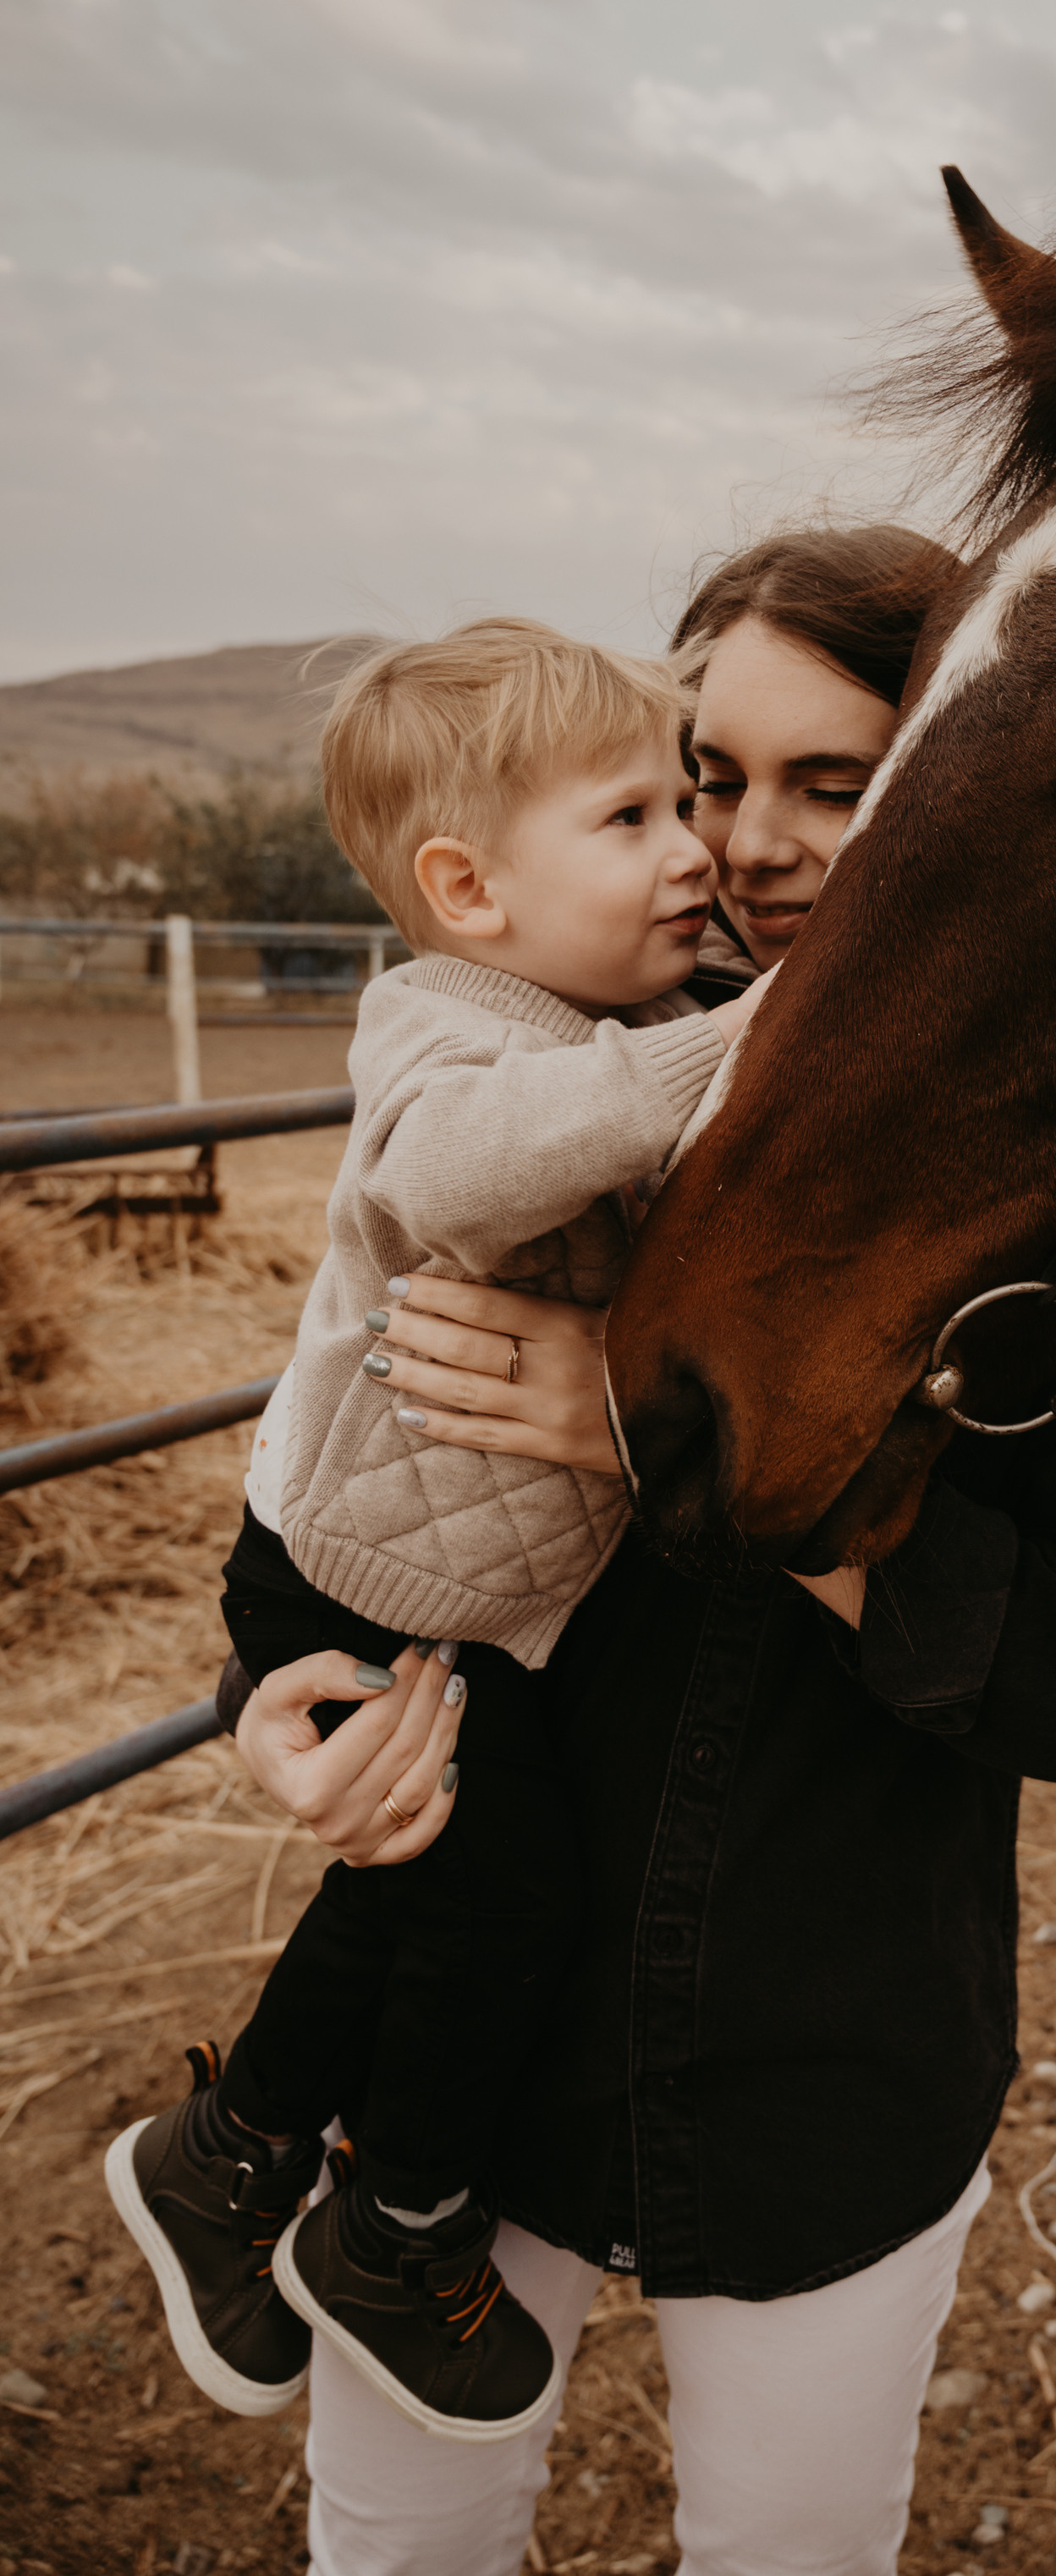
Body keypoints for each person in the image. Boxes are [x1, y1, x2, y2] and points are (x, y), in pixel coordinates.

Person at [212, 529, 1056, 2576]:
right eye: (702, 774)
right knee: (393, 2549)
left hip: (821, 2061)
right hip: (459, 2060)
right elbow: (343, 1464)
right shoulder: (534, 1065)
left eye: (828, 782)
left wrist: (662, 1434)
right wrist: (275, 1717)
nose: (741, 845)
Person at [107, 619, 762, 2446]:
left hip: (472, 1578)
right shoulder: (446, 1031)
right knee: (507, 1900)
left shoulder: (623, 1025)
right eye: (633, 814)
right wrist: (759, 1037)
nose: (694, 844)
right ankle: (396, 2227)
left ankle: (223, 2157)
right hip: (362, 1571)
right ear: (464, 890)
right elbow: (461, 1174)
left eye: (682, 796)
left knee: (425, 1895)